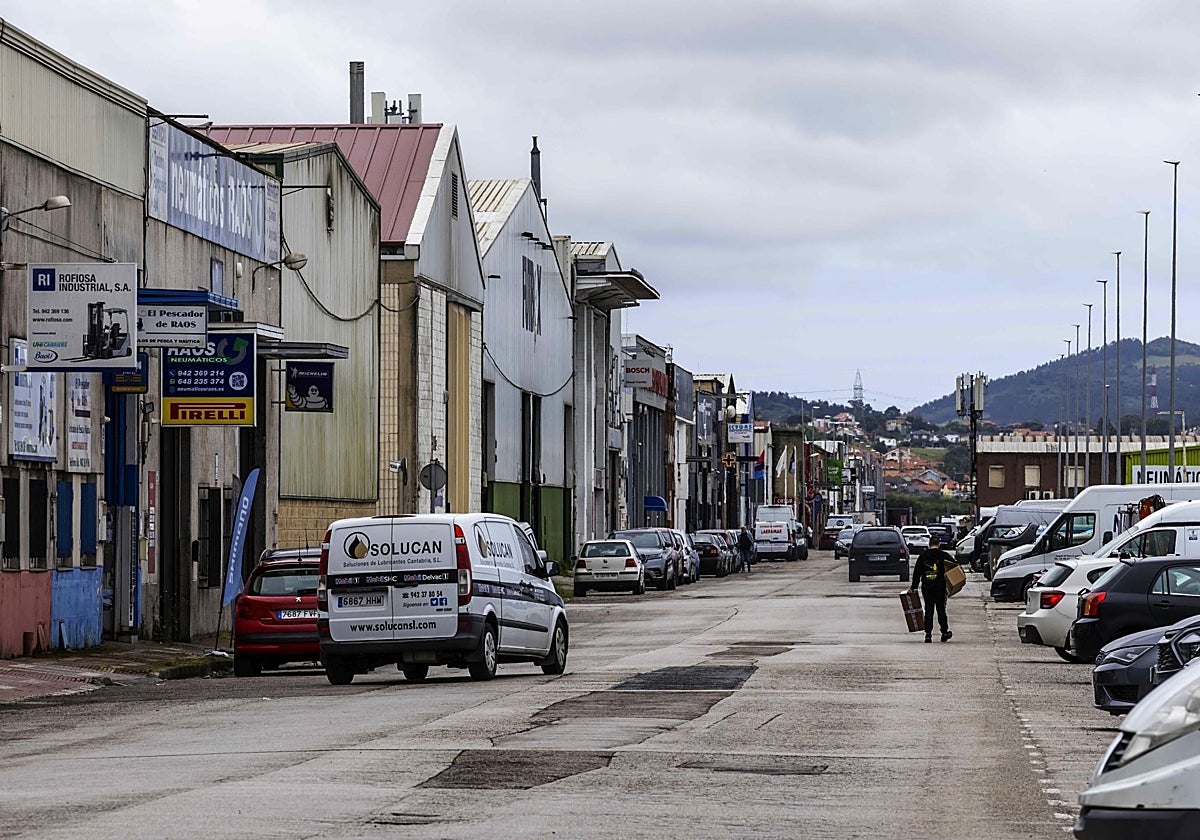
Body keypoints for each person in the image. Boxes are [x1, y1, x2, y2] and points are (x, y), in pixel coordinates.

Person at [910, 533, 955, 643]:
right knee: (941, 610)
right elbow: (954, 566)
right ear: (938, 544)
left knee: (928, 610)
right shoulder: (943, 555)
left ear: (929, 544)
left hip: (927, 587)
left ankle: (928, 635)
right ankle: (944, 632)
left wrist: (913, 587)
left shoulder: (923, 556)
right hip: (940, 587)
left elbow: (917, 573)